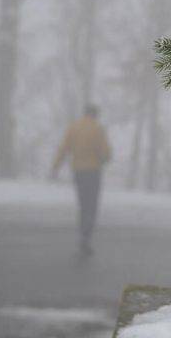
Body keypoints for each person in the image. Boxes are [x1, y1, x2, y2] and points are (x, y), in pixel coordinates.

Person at [51, 104, 111, 255]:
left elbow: (64, 148)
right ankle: (86, 235)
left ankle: (82, 232)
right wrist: (104, 159)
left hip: (78, 171)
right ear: (95, 114)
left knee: (83, 204)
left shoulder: (74, 127)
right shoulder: (98, 128)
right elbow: (105, 152)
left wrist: (56, 166)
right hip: (93, 171)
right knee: (92, 205)